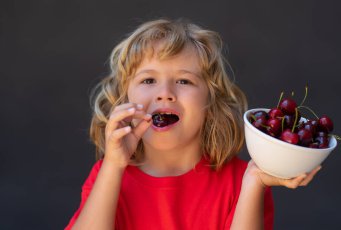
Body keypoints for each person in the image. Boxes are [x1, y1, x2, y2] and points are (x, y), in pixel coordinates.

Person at [65, 18, 320, 230]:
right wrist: (113, 165)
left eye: (184, 81)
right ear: (125, 99)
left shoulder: (242, 182)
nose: (165, 93)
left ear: (211, 101)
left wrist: (254, 182)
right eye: (148, 80)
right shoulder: (108, 175)